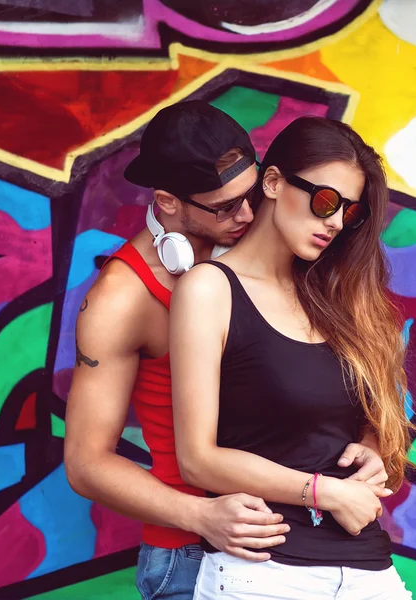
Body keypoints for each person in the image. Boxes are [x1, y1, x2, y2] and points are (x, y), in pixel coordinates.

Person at [64, 103, 387, 600]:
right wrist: (198, 514)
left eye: (251, 195)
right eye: (223, 207)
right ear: (169, 203)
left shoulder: (288, 267)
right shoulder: (123, 298)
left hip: (290, 545)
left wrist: (368, 440)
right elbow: (86, 462)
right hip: (194, 548)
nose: (246, 215)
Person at [170, 116, 414, 599]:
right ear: (275, 182)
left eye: (351, 213)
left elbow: (368, 411)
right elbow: (197, 459)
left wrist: (371, 445)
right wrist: (326, 491)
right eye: (326, 201)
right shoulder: (209, 289)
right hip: (264, 572)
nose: (335, 222)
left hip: (367, 568)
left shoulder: (341, 298)